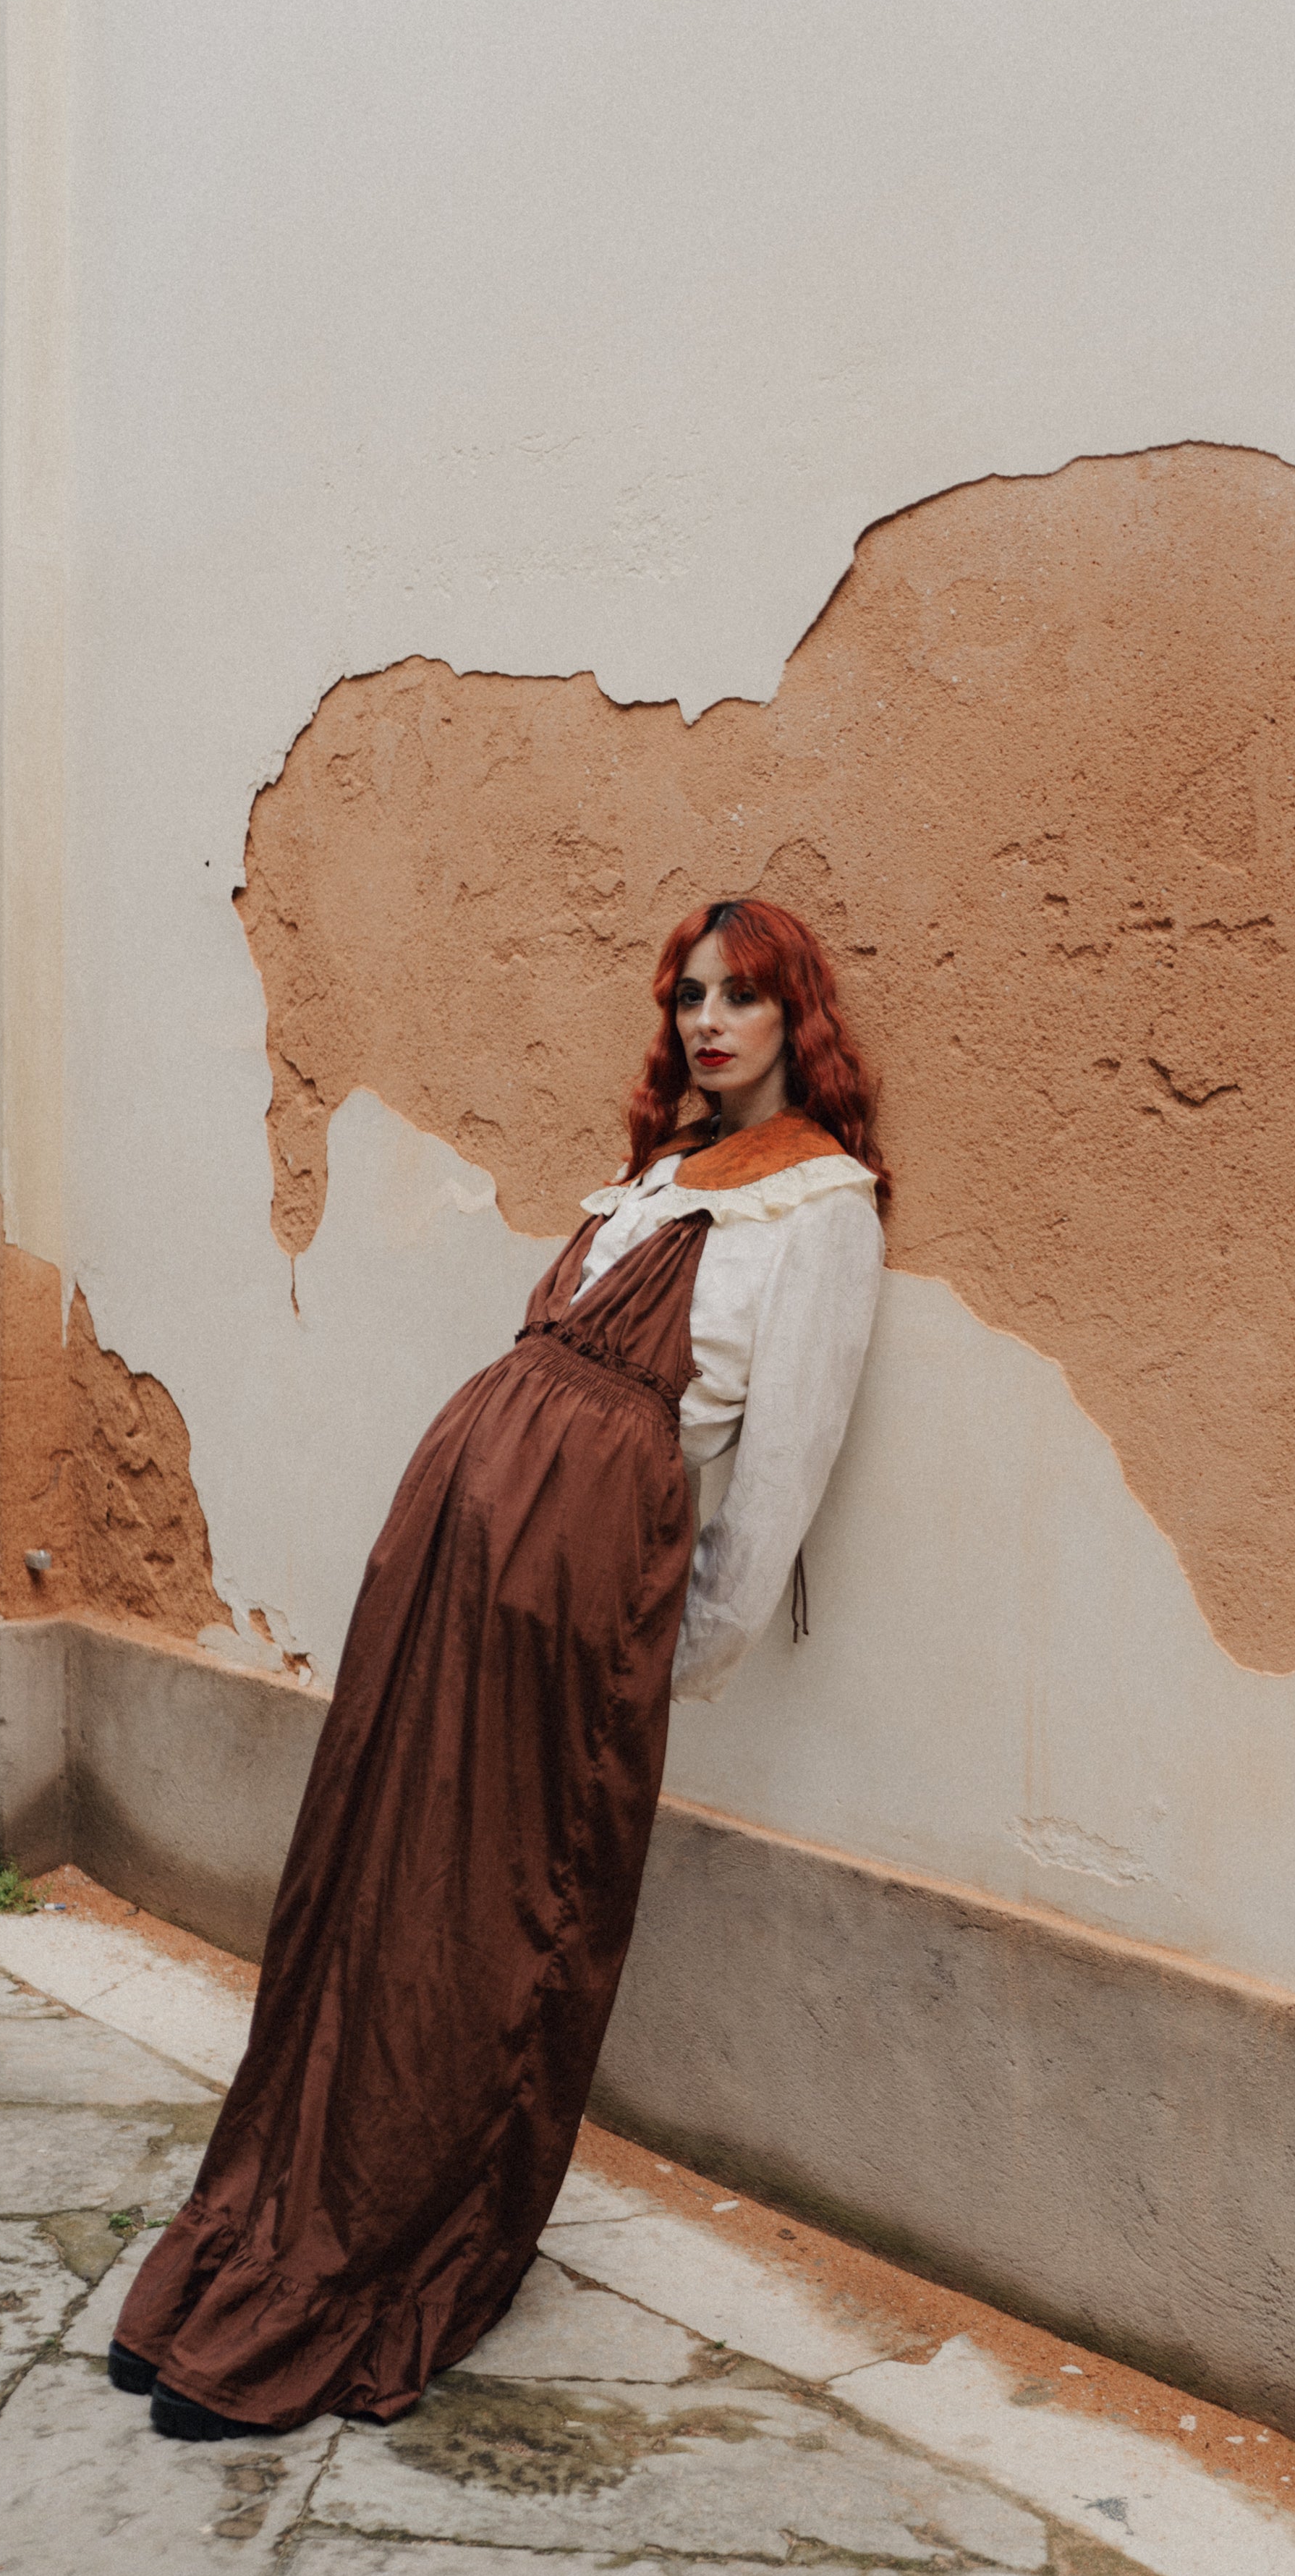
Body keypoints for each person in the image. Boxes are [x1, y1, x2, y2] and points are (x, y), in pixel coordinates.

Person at [111, 897, 887, 2438]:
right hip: (455, 1568)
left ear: (801, 1017)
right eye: (690, 997)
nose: (710, 1023)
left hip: (576, 1608)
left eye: (745, 996)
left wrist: (664, 1658)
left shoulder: (823, 1211)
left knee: (484, 1916)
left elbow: (781, 1460)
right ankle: (262, 2224)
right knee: (373, 1877)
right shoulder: (660, 1178)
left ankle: (380, 2259)